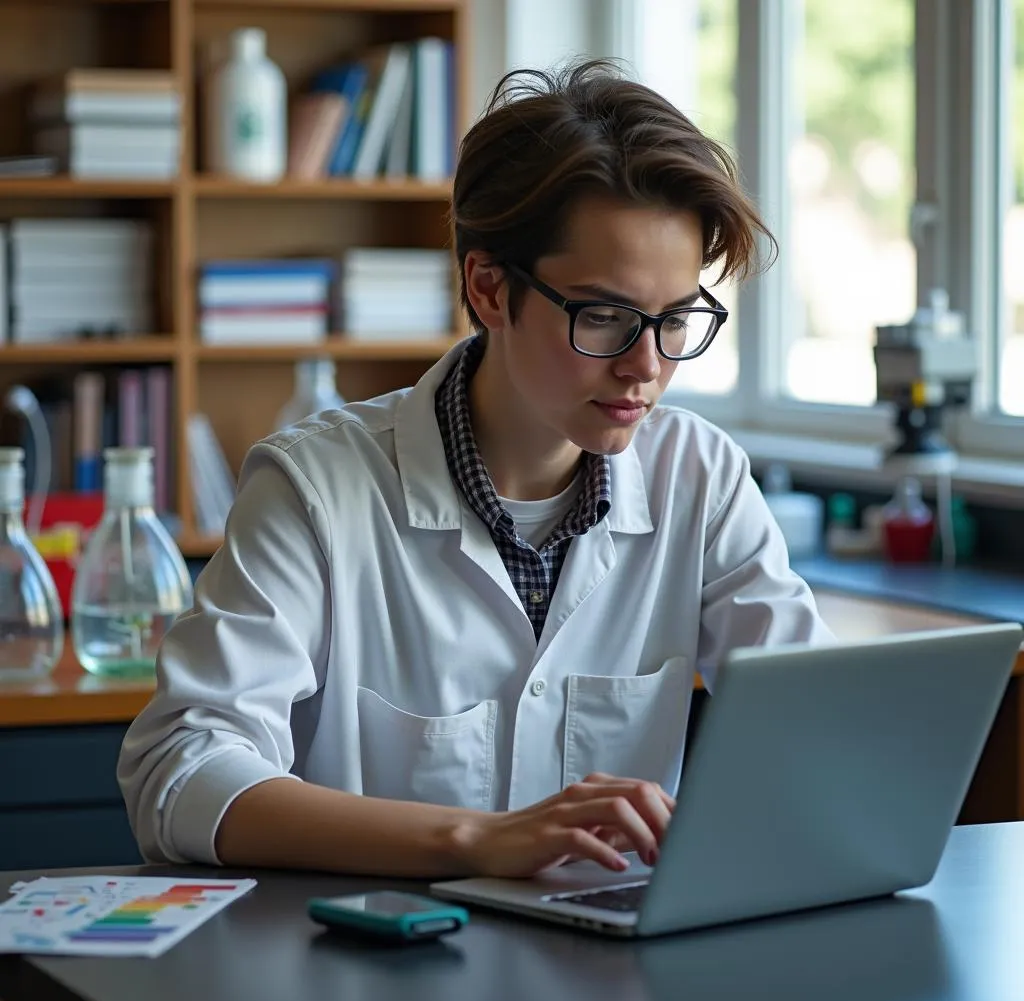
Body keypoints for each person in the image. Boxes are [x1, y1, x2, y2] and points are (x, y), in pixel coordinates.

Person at [118, 59, 833, 880]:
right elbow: (180, 772)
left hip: (612, 979)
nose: (646, 366)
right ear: (490, 288)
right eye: (605, 317)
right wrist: (472, 840)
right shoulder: (316, 486)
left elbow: (812, 715)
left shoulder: (698, 477)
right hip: (375, 976)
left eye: (676, 320)